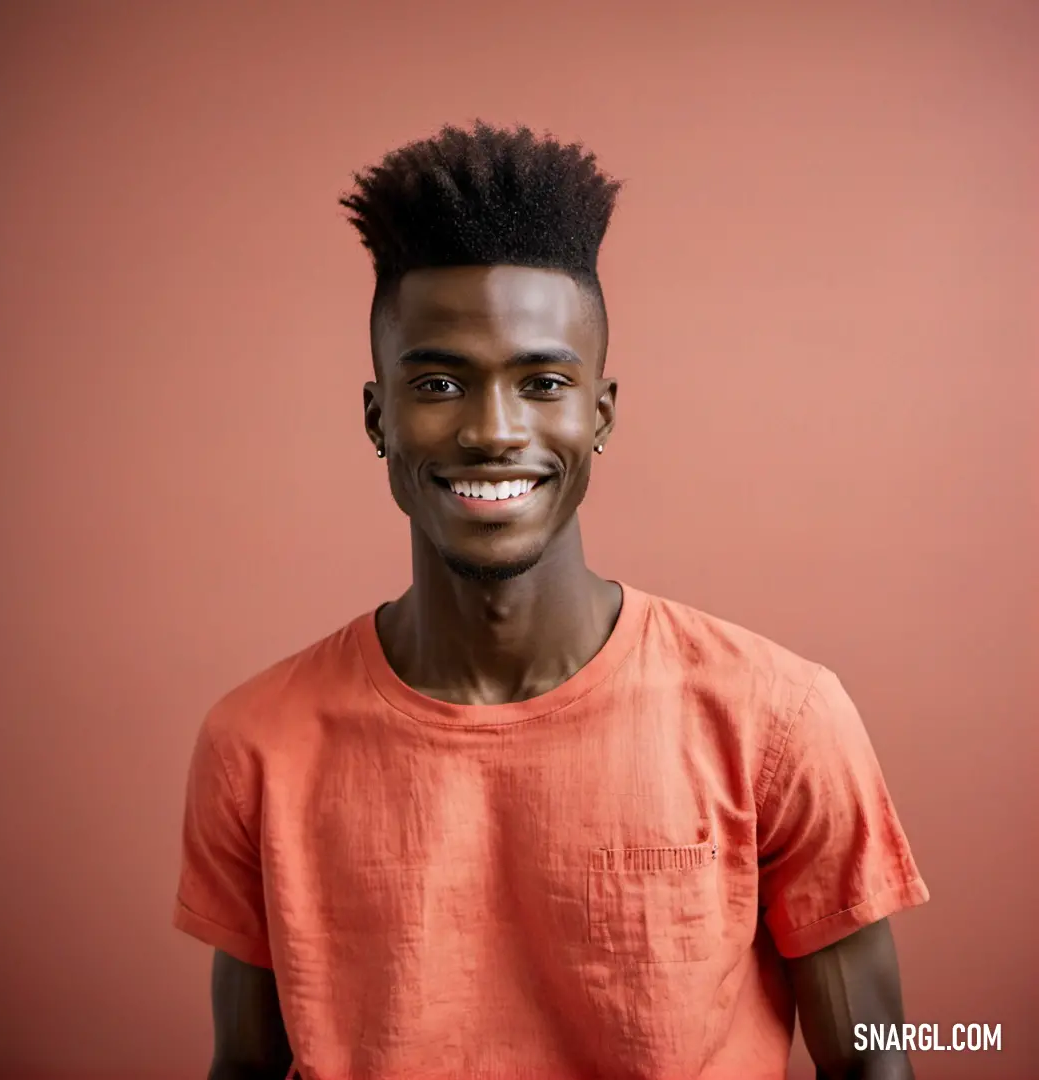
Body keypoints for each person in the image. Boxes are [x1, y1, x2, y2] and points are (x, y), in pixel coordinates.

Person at [172, 121, 929, 1080]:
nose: (493, 430)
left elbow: (880, 1062)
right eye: (440, 382)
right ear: (378, 418)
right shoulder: (257, 745)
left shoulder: (779, 720)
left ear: (599, 414)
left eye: (542, 383)